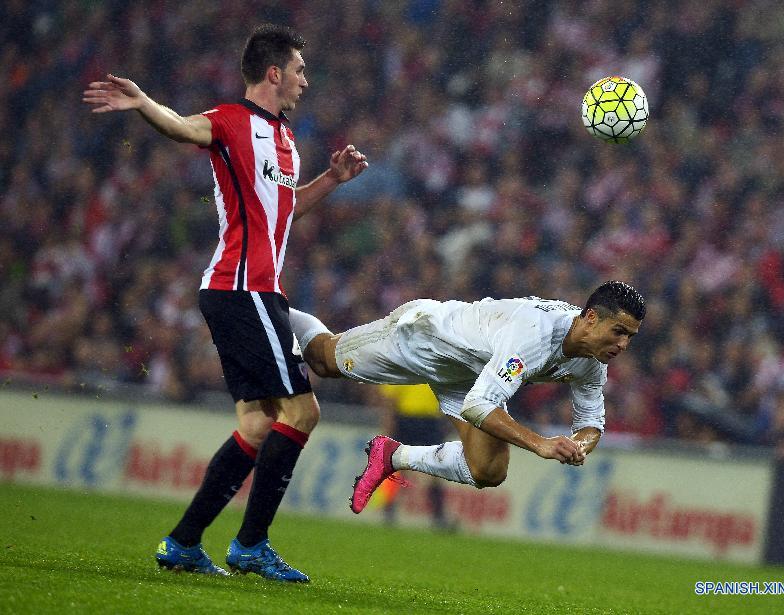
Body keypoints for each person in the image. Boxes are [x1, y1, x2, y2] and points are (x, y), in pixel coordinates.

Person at [83, 24, 368, 581]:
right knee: (302, 412)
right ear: (274, 73)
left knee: (258, 426)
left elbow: (283, 209)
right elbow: (182, 126)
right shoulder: (232, 122)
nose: (306, 81)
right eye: (300, 70)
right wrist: (143, 103)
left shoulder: (285, 139)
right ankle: (251, 544)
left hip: (248, 291)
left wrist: (331, 180)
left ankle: (183, 542)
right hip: (244, 289)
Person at [288, 281, 644, 513]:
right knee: (322, 359)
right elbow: (479, 405)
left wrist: (579, 446)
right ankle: (268, 302)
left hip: (468, 373)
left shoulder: (593, 361)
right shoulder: (533, 335)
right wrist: (540, 444)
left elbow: (591, 423)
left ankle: (393, 455)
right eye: (618, 331)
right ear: (591, 318)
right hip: (424, 340)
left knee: (488, 470)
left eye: (630, 336)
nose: (623, 344)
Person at [373, 384, 452, 528]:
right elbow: (391, 399)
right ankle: (389, 509)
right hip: (406, 419)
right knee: (399, 467)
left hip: (430, 421)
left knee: (435, 468)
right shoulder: (409, 370)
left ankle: (438, 516)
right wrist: (388, 423)